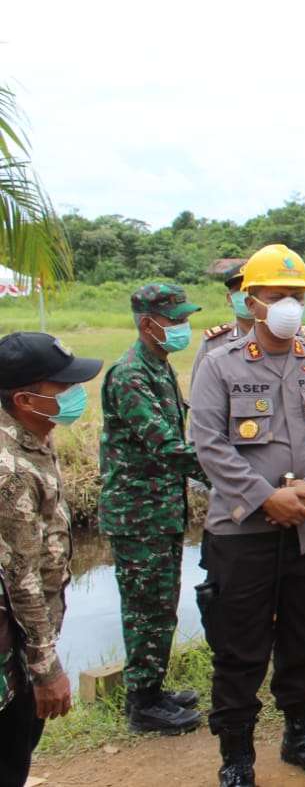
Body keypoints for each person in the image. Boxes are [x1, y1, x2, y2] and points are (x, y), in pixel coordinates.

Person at [190, 244, 305, 787]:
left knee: (303, 638)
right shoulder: (220, 363)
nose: (290, 304)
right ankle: (236, 754)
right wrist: (266, 497)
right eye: (277, 295)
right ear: (251, 300)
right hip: (242, 532)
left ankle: (300, 734)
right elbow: (209, 444)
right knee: (239, 647)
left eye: (298, 295)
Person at [99, 283, 206, 734]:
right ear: (148, 324)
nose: (184, 328)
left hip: (160, 509)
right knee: (145, 606)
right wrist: (232, 476)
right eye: (175, 320)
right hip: (137, 515)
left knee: (162, 603)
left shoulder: (158, 366)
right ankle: (142, 704)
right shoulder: (130, 375)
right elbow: (166, 444)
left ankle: (153, 688)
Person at [0, 333, 101, 784]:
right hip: (17, 647)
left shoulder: (32, 436)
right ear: (24, 398)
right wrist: (45, 671)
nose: (74, 395)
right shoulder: (10, 468)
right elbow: (20, 577)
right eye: (61, 388)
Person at [193, 265, 256, 388]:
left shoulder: (286, 337)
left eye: (251, 289)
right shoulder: (213, 342)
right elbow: (200, 393)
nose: (247, 297)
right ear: (229, 299)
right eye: (240, 289)